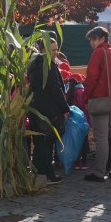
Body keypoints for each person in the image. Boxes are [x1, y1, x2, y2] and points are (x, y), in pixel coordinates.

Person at [81, 26, 111, 182]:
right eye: (90, 40)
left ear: (102, 39)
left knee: (102, 137)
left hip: (100, 100)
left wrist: (86, 97)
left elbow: (91, 78)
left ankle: (100, 172)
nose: (92, 42)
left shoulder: (98, 53)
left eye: (94, 39)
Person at [27, 37, 69, 184]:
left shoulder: (32, 64)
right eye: (53, 50)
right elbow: (55, 89)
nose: (56, 53)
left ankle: (40, 173)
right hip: (49, 111)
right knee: (46, 144)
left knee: (39, 143)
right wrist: (65, 108)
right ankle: (48, 174)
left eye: (56, 49)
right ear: (44, 49)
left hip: (36, 110)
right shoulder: (47, 65)